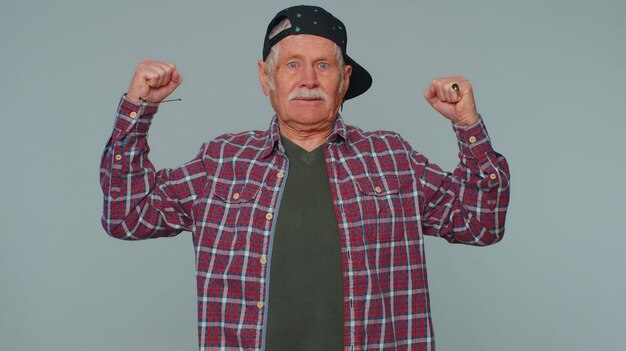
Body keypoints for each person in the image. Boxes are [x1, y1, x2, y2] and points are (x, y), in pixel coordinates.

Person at [100, 5, 510, 350]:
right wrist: (138, 109)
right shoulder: (221, 161)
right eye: (292, 64)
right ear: (266, 78)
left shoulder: (392, 158)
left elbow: (481, 224)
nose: (308, 80)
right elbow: (127, 215)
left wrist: (467, 123)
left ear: (344, 79)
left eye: (323, 65)